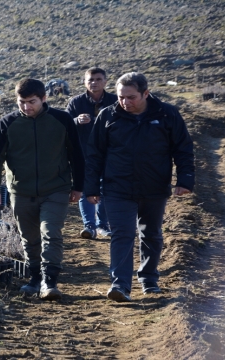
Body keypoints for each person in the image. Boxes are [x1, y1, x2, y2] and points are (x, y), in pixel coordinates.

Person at [84, 72, 195, 302]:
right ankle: (120, 285)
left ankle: (148, 279)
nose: (125, 102)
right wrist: (91, 187)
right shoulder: (108, 115)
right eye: (121, 97)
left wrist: (185, 180)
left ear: (146, 93)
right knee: (122, 235)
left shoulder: (167, 114)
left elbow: (182, 149)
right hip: (117, 187)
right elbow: (94, 154)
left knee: (151, 234)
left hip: (154, 186)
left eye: (131, 97)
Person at [0, 78, 84, 301]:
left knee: (51, 233)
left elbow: (76, 154)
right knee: (29, 238)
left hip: (56, 188)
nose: (26, 107)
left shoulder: (62, 120)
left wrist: (78, 187)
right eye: (22, 102)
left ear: (44, 98)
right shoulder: (6, 124)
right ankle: (34, 278)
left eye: (32, 102)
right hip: (21, 191)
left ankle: (50, 282)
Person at [66, 67, 117, 239]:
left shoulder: (115, 101)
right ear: (84, 82)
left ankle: (103, 225)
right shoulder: (76, 102)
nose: (94, 83)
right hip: (83, 152)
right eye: (90, 80)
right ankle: (89, 226)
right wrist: (76, 121)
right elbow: (65, 125)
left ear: (105, 81)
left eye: (97, 79)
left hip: (109, 152)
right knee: (85, 188)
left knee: (105, 188)